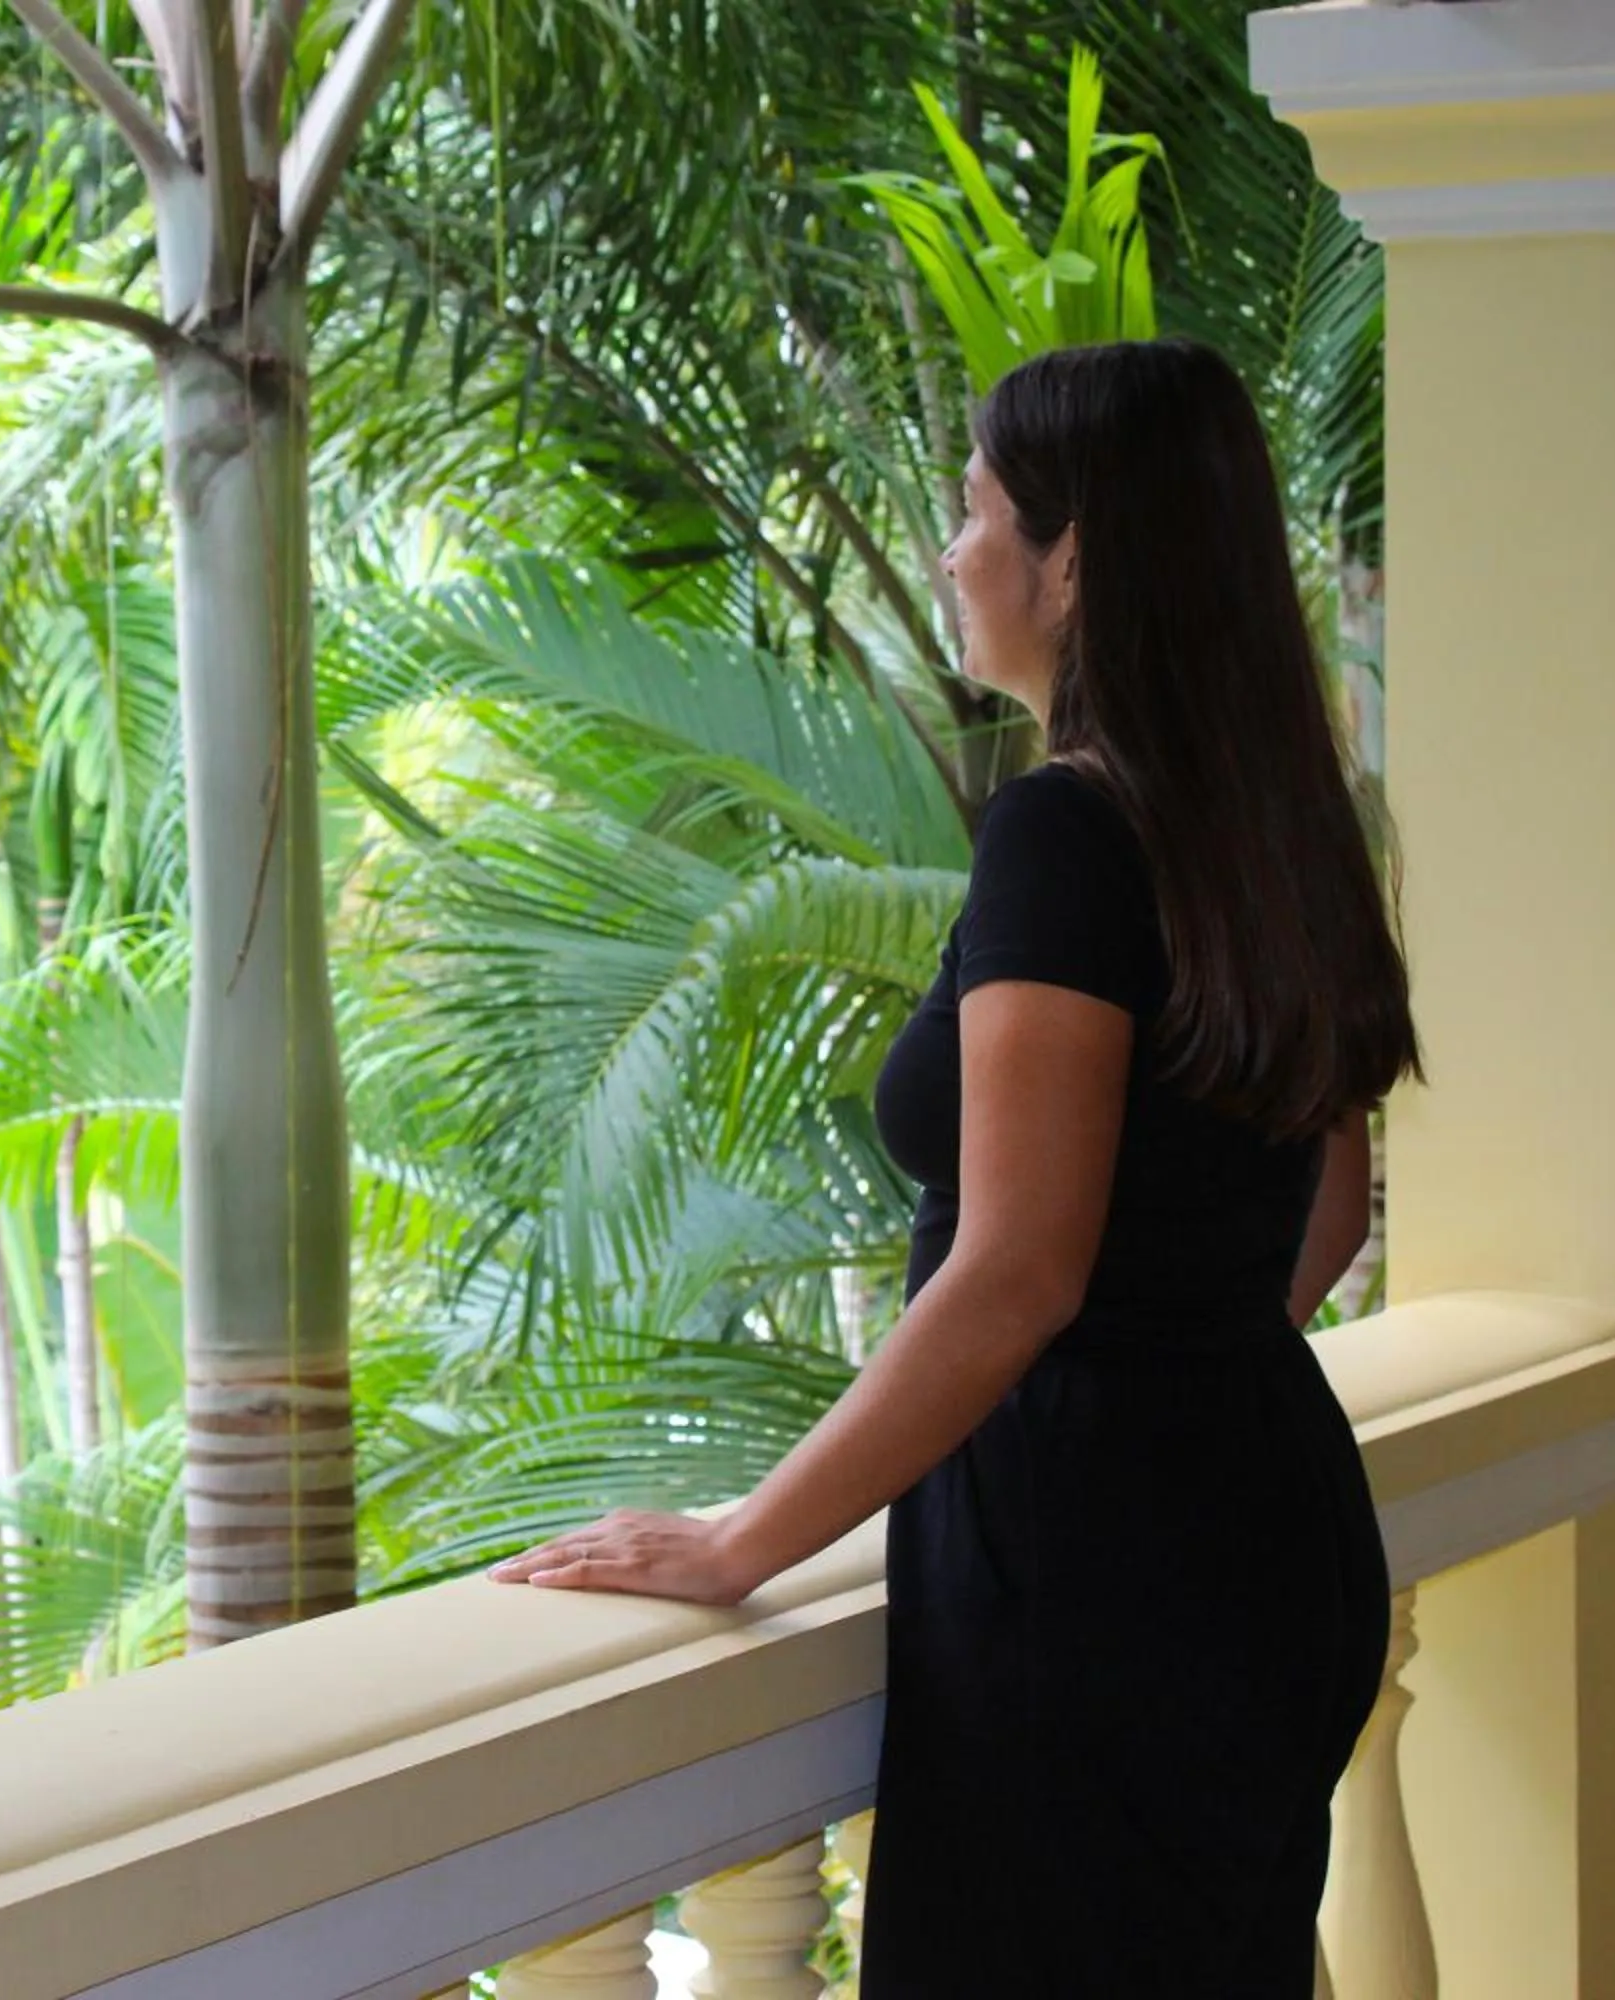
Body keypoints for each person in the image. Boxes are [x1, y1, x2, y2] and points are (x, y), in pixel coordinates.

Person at [489, 336, 1418, 1992]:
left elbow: (1017, 1269)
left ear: (1075, 561)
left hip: (1092, 1582)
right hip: (1274, 1527)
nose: (950, 550)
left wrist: (739, 1544)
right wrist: (1184, 1368)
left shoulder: (1070, 834)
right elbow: (1325, 1211)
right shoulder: (1278, 819)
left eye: (978, 509)